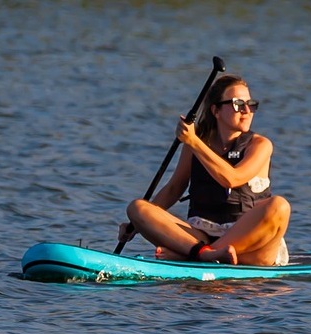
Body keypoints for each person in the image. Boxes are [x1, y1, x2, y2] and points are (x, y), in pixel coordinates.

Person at [119, 74, 290, 266]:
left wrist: (193, 142)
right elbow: (175, 188)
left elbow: (232, 179)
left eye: (250, 104)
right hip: (200, 235)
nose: (246, 110)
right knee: (137, 207)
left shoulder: (260, 145)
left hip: (248, 244)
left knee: (279, 206)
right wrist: (137, 226)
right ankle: (203, 253)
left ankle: (195, 255)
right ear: (215, 110)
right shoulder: (198, 140)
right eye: (238, 104)